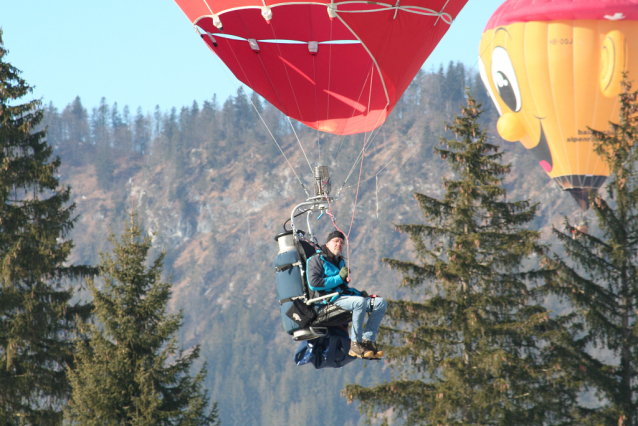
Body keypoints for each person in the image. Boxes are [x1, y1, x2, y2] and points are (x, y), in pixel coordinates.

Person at [306, 230, 387, 359]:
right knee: (359, 302)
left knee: (380, 303)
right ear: (327, 244)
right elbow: (314, 283)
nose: (339, 244)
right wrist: (339, 277)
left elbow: (342, 288)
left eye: (342, 242)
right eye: (336, 241)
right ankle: (355, 344)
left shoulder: (340, 262)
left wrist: (359, 293)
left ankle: (367, 342)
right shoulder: (316, 260)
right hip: (326, 302)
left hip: (342, 298)